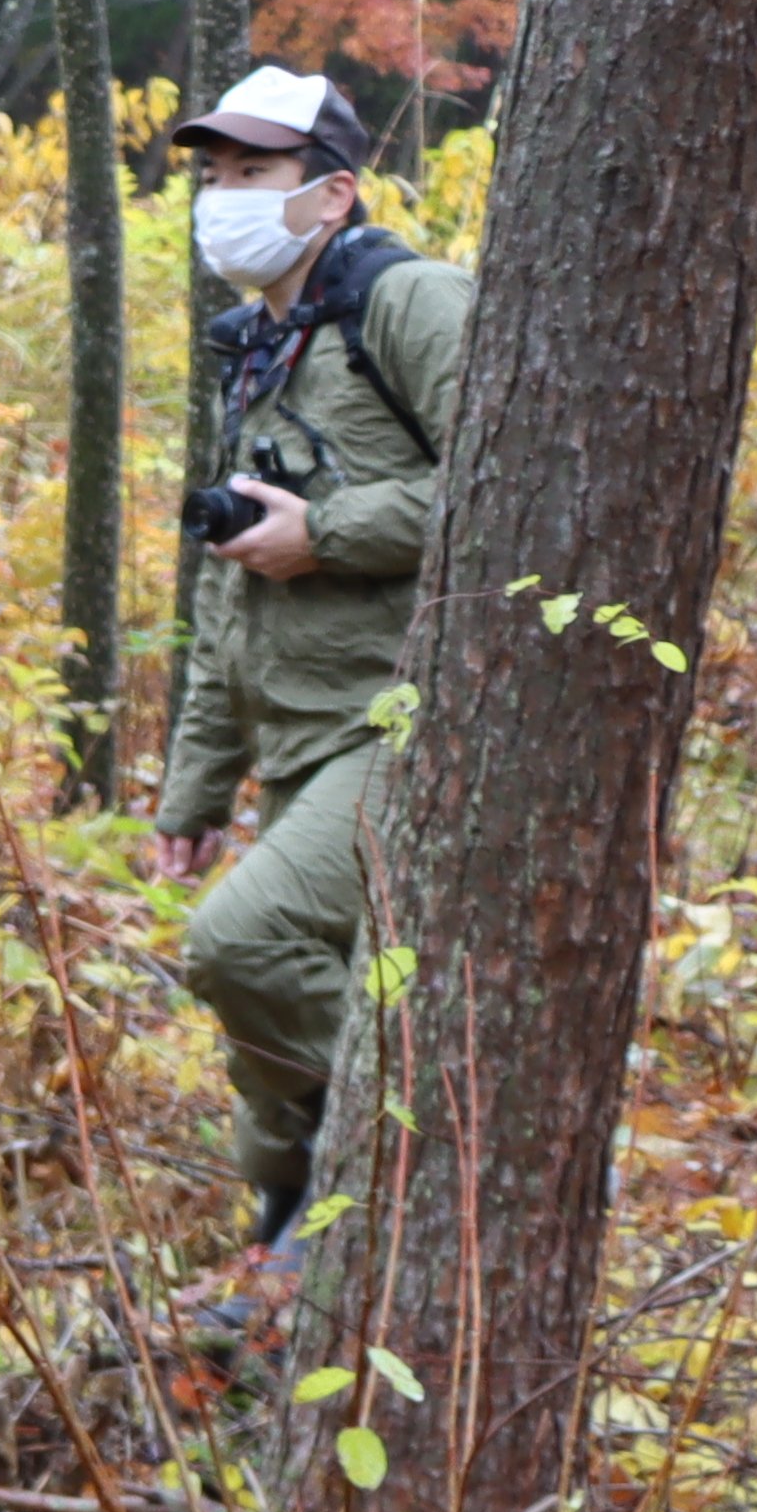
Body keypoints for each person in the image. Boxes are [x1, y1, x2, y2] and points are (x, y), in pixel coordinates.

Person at [156, 64, 469, 1288]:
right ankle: (292, 1254)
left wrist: (326, 532)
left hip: (404, 720)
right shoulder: (264, 348)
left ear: (332, 191)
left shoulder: (415, 301)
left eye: (255, 175)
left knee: (242, 943)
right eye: (215, 176)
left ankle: (424, 1169)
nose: (223, 199)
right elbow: (232, 588)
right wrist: (196, 786)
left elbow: (520, 485)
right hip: (300, 734)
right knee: (259, 1047)